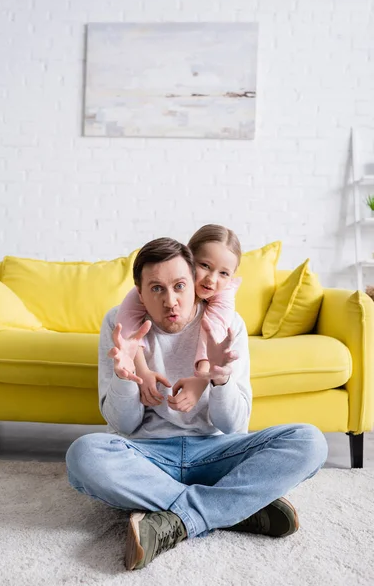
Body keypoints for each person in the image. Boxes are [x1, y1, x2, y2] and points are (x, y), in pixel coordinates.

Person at [66, 236, 328, 571]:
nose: (171, 301)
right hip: (148, 455)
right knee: (83, 455)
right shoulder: (120, 326)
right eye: (157, 289)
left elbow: (234, 425)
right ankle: (234, 509)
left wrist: (220, 380)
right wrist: (126, 377)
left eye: (179, 286)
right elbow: (124, 424)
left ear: (195, 284)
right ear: (139, 293)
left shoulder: (227, 324)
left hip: (217, 452)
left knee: (309, 441)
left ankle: (175, 516)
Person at [115, 224, 242, 412]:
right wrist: (141, 371)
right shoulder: (143, 291)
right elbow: (127, 332)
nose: (211, 280)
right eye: (205, 266)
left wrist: (202, 379)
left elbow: (213, 332)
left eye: (223, 273)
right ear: (188, 260)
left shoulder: (224, 299)